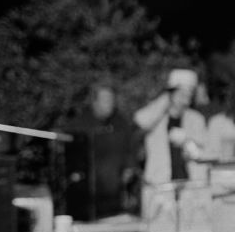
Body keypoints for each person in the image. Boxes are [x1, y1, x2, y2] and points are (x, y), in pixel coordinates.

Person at [133, 68, 208, 213]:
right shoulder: (156, 117)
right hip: (159, 186)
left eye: (189, 93)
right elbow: (141, 120)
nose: (185, 98)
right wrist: (165, 100)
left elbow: (204, 151)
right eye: (181, 92)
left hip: (190, 187)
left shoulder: (196, 119)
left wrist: (188, 141)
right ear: (171, 93)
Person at [64, 82, 139, 219]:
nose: (110, 104)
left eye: (111, 100)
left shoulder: (120, 122)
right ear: (94, 102)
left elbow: (130, 148)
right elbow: (72, 160)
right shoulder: (78, 125)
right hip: (88, 196)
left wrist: (129, 167)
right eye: (105, 100)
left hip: (116, 194)